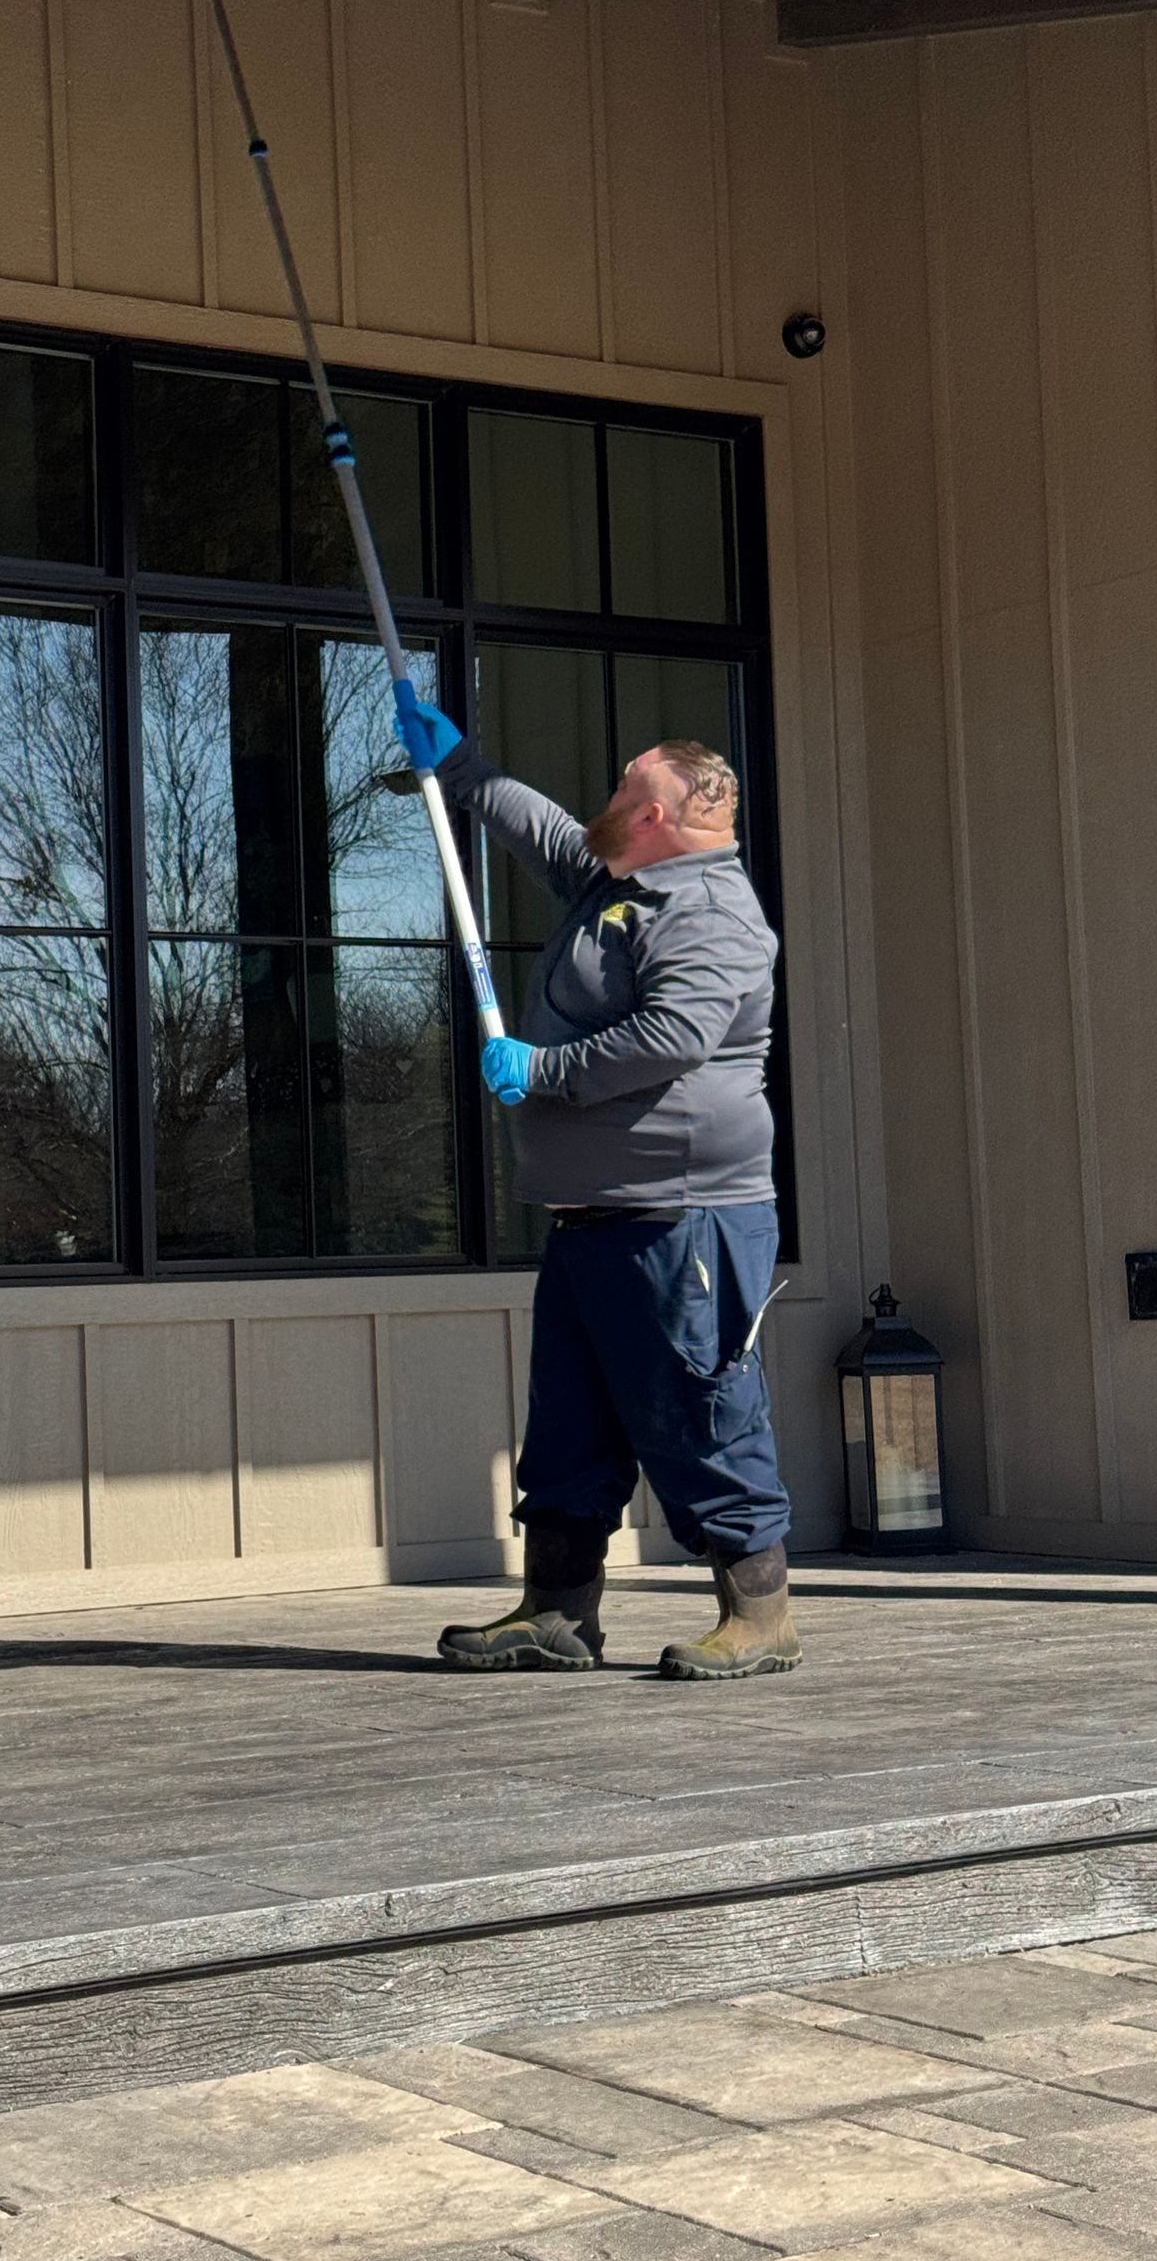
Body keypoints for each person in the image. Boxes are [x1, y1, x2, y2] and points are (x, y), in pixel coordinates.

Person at [394, 688, 796, 1683]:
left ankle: (760, 1615)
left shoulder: (712, 913)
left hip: (683, 1217)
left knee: (702, 1412)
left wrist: (542, 1073)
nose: (608, 797)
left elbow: (672, 1039)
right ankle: (557, 1612)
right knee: (571, 1421)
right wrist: (461, 772)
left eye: (625, 785)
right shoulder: (625, 886)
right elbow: (550, 835)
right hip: (595, 1218)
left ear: (657, 814)